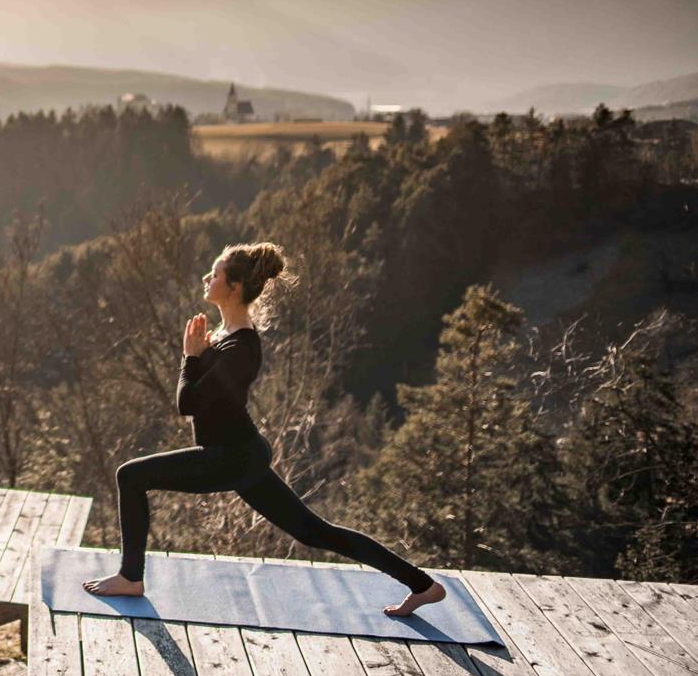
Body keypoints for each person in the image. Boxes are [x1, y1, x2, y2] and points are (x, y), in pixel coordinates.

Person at [82, 241, 444, 618]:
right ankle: (423, 585)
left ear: (234, 286)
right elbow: (204, 397)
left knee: (131, 476)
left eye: (216, 273)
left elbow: (186, 403)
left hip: (231, 458)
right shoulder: (226, 336)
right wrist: (201, 353)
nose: (207, 278)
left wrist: (190, 356)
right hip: (241, 453)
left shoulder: (241, 347)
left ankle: (130, 576)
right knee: (315, 532)